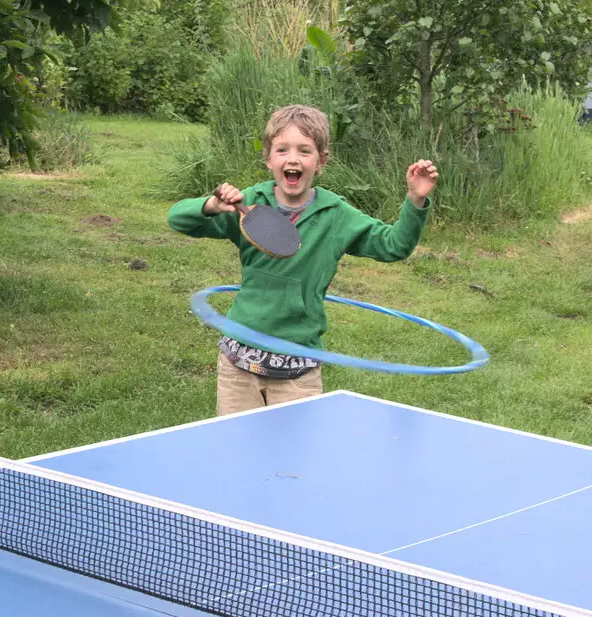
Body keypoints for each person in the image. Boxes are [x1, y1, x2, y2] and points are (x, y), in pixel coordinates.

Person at [167, 104, 438, 415]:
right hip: (238, 364)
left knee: (295, 461)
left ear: (321, 160)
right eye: (282, 150)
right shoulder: (248, 204)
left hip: (298, 371)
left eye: (304, 151)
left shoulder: (337, 216)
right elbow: (178, 220)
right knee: (237, 455)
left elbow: (394, 246)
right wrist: (211, 205)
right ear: (268, 158)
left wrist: (416, 200)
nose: (292, 158)